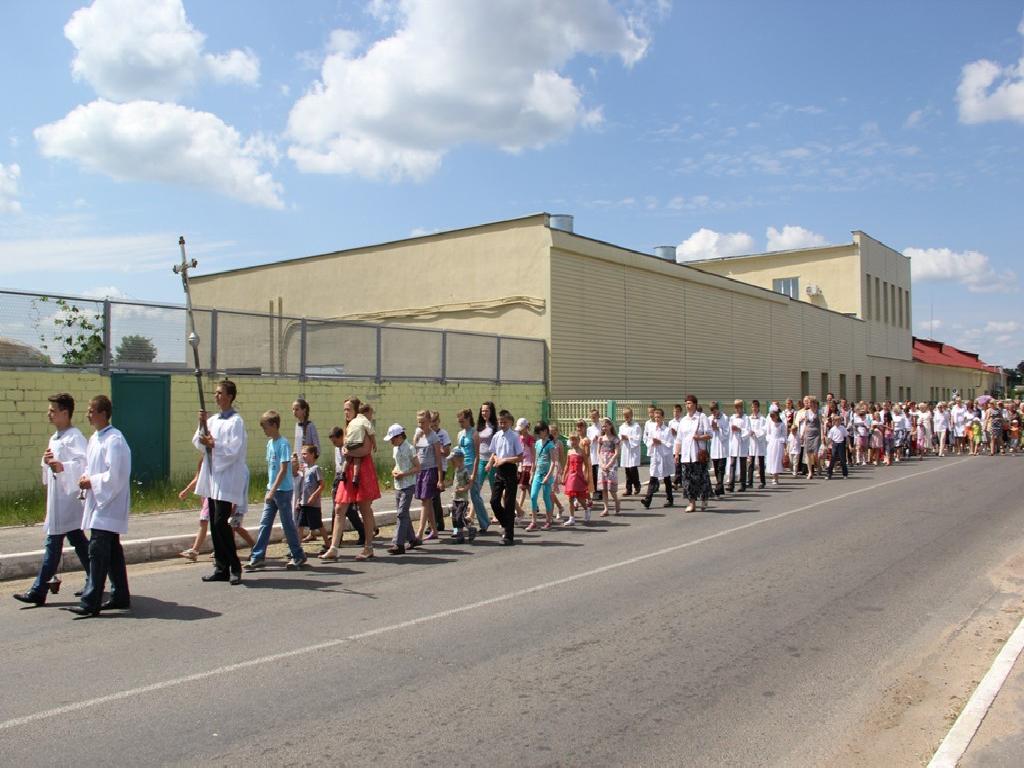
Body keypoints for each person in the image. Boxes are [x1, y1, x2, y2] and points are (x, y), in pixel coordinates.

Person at [14, 393, 90, 607]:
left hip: (68, 501)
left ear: (65, 413)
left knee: (53, 544)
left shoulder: (74, 437)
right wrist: (48, 461)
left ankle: (38, 590)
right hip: (57, 500)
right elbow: (52, 464)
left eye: (52, 411)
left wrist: (61, 466)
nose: (49, 414)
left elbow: (83, 464)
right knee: (78, 541)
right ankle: (94, 580)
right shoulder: (56, 437)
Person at [66, 395, 132, 617]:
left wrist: (92, 482)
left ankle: (90, 601)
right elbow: (91, 466)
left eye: (91, 410)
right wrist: (86, 477)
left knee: (97, 550)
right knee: (112, 551)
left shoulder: (115, 439)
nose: (88, 414)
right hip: (100, 501)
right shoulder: (95, 438)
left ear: (103, 414)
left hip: (110, 504)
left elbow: (116, 475)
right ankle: (120, 595)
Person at [193, 380, 248, 585]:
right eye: (215, 393)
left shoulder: (236, 422)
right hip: (212, 475)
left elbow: (234, 449)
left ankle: (235, 566)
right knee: (214, 525)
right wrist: (202, 424)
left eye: (219, 393)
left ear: (229, 396)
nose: (216, 396)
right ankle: (221, 567)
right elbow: (199, 442)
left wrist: (214, 444)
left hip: (226, 476)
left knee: (220, 522)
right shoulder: (213, 419)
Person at [245, 410, 308, 571]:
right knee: (265, 524)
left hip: (283, 491)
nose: (264, 430)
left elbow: (283, 469)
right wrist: (270, 488)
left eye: (265, 427)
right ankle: (258, 556)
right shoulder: (269, 444)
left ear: (274, 425)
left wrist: (273, 490)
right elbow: (271, 469)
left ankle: (298, 555)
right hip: (272, 490)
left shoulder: (283, 443)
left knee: (287, 524)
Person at [330, 397, 381, 562]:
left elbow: (366, 449)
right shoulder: (348, 427)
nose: (346, 412)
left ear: (356, 410)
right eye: (344, 409)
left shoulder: (362, 425)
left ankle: (368, 547)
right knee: (339, 508)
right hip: (348, 469)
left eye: (349, 409)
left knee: (364, 508)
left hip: (362, 469)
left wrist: (348, 452)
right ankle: (333, 548)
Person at [322, 426, 367, 554]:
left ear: (341, 437)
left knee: (338, 510)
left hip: (346, 477)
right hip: (339, 477)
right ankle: (361, 532)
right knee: (346, 510)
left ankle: (337, 539)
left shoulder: (347, 447)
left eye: (335, 441)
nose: (334, 444)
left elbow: (350, 463)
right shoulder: (337, 448)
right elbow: (338, 465)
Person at [485, 409, 523, 545]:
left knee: (509, 503)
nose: (502, 425)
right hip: (499, 470)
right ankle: (506, 523)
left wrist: (505, 460)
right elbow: (494, 452)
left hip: (510, 469)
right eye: (500, 422)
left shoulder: (514, 436)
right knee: (494, 501)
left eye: (504, 422)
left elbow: (520, 457)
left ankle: (508, 536)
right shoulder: (497, 436)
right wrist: (491, 462)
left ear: (510, 422)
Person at [385, 423, 421, 554]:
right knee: (403, 513)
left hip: (408, 485)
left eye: (393, 439)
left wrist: (404, 474)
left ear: (400, 436)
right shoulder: (395, 449)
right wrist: (394, 471)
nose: (391, 442)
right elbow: (397, 465)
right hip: (398, 485)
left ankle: (398, 543)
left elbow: (418, 467)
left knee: (401, 513)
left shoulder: (410, 448)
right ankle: (412, 539)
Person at [412, 409, 445, 541]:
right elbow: (414, 450)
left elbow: (438, 460)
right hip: (421, 470)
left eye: (423, 422)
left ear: (429, 422)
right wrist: (416, 437)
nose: (421, 425)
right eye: (419, 422)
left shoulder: (434, 437)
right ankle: (434, 530)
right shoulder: (418, 433)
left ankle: (420, 531)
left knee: (425, 500)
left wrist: (440, 479)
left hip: (430, 471)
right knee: (427, 501)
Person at [675, 395, 711, 513]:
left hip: (698, 455)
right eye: (686, 403)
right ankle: (692, 503)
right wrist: (677, 454)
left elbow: (710, 434)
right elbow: (679, 439)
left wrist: (699, 437)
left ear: (695, 404)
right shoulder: (683, 420)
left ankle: (704, 499)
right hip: (686, 456)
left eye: (690, 403)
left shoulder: (701, 417)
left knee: (701, 479)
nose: (687, 405)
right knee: (687, 480)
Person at [526, 421, 557, 530]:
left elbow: (553, 462)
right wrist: (532, 474)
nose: (538, 435)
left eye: (539, 432)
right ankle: (533, 521)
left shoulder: (550, 445)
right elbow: (535, 459)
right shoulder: (538, 443)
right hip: (537, 474)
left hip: (546, 475)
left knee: (546, 497)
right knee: (533, 496)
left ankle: (548, 520)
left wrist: (548, 476)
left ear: (545, 431)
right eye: (537, 433)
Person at [296, 444, 328, 549]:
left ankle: (328, 543)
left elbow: (322, 485)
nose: (303, 456)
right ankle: (297, 548)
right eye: (302, 454)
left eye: (305, 454)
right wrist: (298, 500)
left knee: (318, 524)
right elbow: (301, 486)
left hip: (313, 504)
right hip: (303, 502)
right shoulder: (303, 469)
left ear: (313, 454)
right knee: (300, 525)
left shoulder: (315, 469)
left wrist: (313, 496)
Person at [641, 408, 674, 509]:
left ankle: (670, 499)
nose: (657, 419)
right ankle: (648, 500)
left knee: (666, 478)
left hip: (664, 457)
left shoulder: (667, 430)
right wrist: (652, 442)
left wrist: (660, 442)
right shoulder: (652, 429)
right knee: (653, 477)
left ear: (663, 418)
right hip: (655, 456)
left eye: (658, 417)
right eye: (655, 417)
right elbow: (648, 441)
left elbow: (670, 444)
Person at [473, 402, 498, 532]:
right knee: (476, 487)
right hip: (480, 460)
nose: (484, 413)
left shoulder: (495, 427)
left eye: (487, 410)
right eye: (482, 410)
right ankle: (471, 514)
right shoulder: (479, 427)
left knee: (495, 489)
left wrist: (491, 461)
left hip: (491, 461)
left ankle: (497, 514)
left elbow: (496, 446)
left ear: (491, 411)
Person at [561, 431, 590, 526]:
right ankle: (572, 518)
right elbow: (567, 465)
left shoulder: (582, 452)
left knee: (579, 498)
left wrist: (586, 476)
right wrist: (564, 476)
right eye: (571, 440)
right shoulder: (569, 452)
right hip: (570, 477)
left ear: (578, 440)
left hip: (579, 477)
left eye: (575, 440)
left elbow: (586, 465)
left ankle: (586, 509)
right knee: (570, 498)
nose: (573, 442)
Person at [447, 448, 477, 544]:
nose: (451, 462)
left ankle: (470, 528)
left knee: (460, 516)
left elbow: (469, 483)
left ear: (459, 460)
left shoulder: (465, 471)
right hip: (455, 498)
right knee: (455, 517)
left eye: (453, 460)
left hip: (462, 499)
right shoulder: (455, 470)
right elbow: (453, 481)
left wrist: (464, 489)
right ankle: (460, 535)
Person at [429, 411, 451, 532]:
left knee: (434, 496)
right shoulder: (426, 434)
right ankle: (435, 523)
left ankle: (436, 523)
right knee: (430, 496)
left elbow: (447, 452)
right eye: (431, 423)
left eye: (435, 423)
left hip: (441, 467)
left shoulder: (443, 434)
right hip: (429, 466)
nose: (433, 425)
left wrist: (437, 449)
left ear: (438, 421)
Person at [597, 417, 621, 516]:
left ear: (610, 426)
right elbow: (598, 452)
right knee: (604, 488)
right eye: (603, 426)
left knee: (611, 488)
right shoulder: (600, 439)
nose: (604, 428)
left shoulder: (615, 439)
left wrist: (609, 464)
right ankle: (606, 509)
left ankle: (617, 501)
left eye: (606, 426)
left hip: (611, 464)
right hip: (602, 464)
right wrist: (602, 464)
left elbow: (616, 453)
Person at [726, 399, 751, 492]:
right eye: (736, 407)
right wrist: (732, 429)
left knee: (742, 465)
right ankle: (731, 484)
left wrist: (739, 430)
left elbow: (748, 431)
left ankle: (742, 484)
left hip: (742, 444)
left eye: (739, 407)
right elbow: (728, 430)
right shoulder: (732, 418)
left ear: (742, 407)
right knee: (732, 464)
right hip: (734, 442)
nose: (737, 409)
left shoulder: (746, 418)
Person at [617, 408, 642, 496]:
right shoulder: (622, 427)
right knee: (627, 470)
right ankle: (628, 489)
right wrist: (621, 438)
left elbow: (638, 438)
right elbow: (619, 437)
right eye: (625, 416)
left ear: (631, 415)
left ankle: (637, 485)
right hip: (626, 449)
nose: (626, 418)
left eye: (628, 416)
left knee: (633, 469)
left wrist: (628, 438)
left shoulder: (636, 426)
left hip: (633, 450)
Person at [515, 417, 536, 517]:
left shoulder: (530, 439)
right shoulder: (519, 438)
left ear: (526, 427)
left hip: (528, 465)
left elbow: (533, 454)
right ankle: (532, 506)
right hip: (521, 465)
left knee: (523, 487)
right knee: (526, 488)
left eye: (521, 428)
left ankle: (521, 507)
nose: (520, 430)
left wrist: (533, 468)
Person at [708, 401, 728, 496]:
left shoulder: (724, 418)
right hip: (714, 447)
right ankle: (721, 488)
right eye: (712, 411)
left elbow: (726, 433)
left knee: (721, 468)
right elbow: (708, 433)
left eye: (715, 410)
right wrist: (712, 429)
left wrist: (717, 428)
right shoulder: (709, 419)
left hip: (722, 447)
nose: (713, 413)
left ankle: (718, 487)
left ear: (718, 409)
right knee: (716, 469)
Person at [746, 399, 767, 489]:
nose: (754, 409)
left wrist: (756, 433)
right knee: (751, 463)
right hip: (752, 442)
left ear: (758, 407)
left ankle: (762, 482)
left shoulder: (762, 419)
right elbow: (747, 428)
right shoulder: (749, 418)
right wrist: (749, 432)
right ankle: (750, 482)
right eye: (752, 407)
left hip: (759, 443)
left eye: (755, 407)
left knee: (760, 463)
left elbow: (764, 430)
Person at [765, 406, 787, 485]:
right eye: (771, 416)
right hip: (771, 443)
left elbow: (784, 435)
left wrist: (784, 444)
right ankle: (773, 476)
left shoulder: (782, 424)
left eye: (773, 416)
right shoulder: (770, 423)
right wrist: (769, 440)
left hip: (778, 444)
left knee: (777, 460)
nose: (772, 418)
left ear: (777, 416)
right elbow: (768, 433)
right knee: (772, 459)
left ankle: (776, 477)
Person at [801, 397, 822, 479]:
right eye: (809, 403)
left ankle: (818, 465)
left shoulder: (818, 412)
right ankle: (810, 472)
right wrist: (803, 434)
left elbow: (821, 424)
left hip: (816, 434)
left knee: (815, 453)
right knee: (808, 453)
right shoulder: (806, 412)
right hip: (808, 434)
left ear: (814, 403)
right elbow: (806, 424)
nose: (809, 404)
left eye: (811, 402)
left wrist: (823, 434)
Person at [586, 409, 603, 501]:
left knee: (599, 473)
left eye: (595, 416)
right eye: (592, 417)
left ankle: (600, 492)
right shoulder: (589, 429)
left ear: (598, 416)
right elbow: (588, 441)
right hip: (593, 453)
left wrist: (599, 438)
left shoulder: (602, 427)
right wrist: (593, 439)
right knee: (593, 474)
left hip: (600, 452)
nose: (593, 418)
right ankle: (595, 492)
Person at [826, 414, 849, 479]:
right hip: (835, 444)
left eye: (839, 420)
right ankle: (829, 474)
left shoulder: (843, 428)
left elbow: (846, 436)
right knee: (832, 459)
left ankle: (845, 474)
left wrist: (848, 444)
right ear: (834, 421)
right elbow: (829, 438)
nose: (837, 422)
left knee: (842, 459)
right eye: (836, 421)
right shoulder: (832, 429)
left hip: (841, 444)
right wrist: (827, 445)